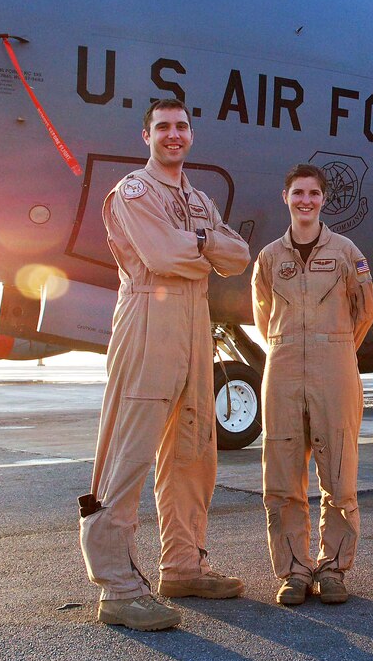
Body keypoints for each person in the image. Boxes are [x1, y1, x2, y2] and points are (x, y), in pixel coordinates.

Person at [78, 98, 251, 631]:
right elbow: (162, 255)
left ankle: (182, 564)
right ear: (146, 135)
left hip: (195, 319)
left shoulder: (198, 198)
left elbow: (239, 255)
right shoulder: (134, 192)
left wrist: (199, 242)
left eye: (181, 127)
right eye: (163, 128)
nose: (173, 135)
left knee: (194, 447)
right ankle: (117, 586)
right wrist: (206, 246)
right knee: (130, 448)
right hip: (149, 313)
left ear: (191, 135)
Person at [251, 164, 373, 606]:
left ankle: (334, 569)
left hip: (334, 366)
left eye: (314, 194)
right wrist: (290, 348)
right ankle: (293, 572)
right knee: (282, 475)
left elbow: (365, 311)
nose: (306, 200)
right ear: (285, 197)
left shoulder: (345, 252)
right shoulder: (268, 258)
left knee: (339, 473)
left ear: (324, 199)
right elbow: (262, 316)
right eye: (298, 193)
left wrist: (335, 349)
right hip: (282, 366)